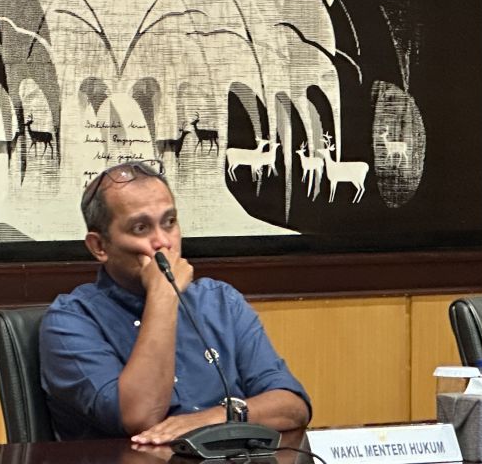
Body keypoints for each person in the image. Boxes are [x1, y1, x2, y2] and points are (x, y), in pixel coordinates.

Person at [40, 159, 311, 443]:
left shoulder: (221, 301)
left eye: (169, 222)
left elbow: (293, 407)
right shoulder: (70, 321)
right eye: (140, 228)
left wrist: (215, 418)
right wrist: (163, 296)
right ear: (99, 246)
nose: (163, 242)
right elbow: (140, 417)